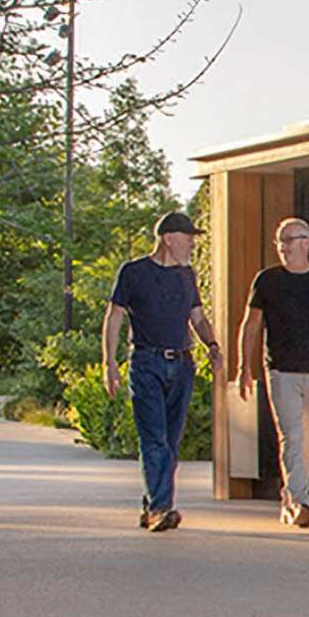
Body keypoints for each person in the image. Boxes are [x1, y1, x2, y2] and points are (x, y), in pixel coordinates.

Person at [234, 214, 309, 530]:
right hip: (281, 371)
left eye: (289, 240)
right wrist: (244, 367)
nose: (283, 247)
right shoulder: (267, 280)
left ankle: (290, 498)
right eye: (280, 241)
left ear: (306, 242)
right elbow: (251, 325)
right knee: (291, 435)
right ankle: (302, 501)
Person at [102, 210, 220, 533]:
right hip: (146, 363)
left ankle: (153, 502)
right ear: (168, 239)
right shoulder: (134, 272)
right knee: (154, 438)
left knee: (170, 440)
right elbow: (114, 316)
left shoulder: (187, 275)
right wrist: (109, 363)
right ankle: (160, 508)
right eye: (188, 239)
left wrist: (212, 345)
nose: (193, 245)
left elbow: (197, 317)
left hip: (182, 363)